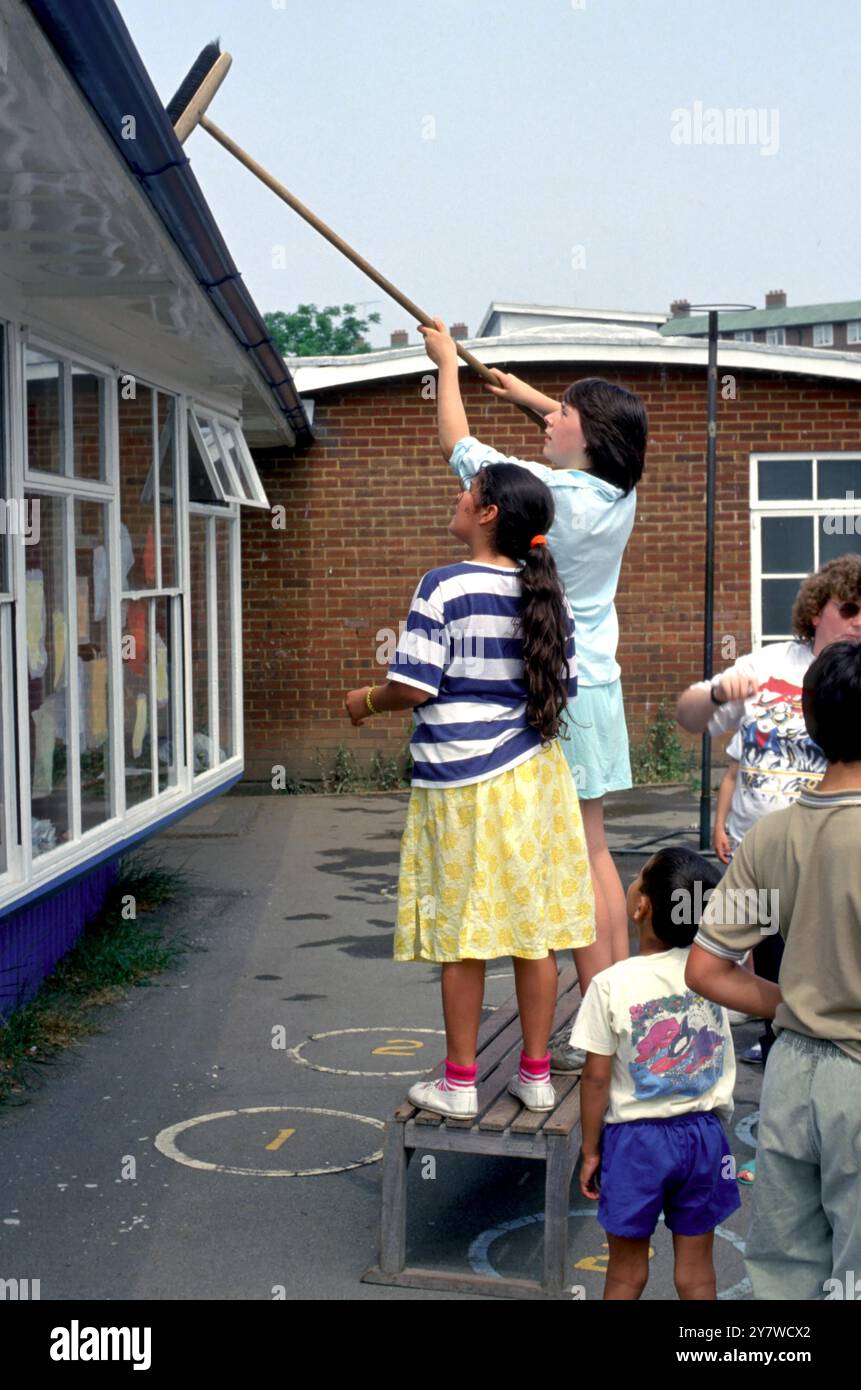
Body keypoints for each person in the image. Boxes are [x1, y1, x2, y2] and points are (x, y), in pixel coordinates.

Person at [419, 317, 648, 1072]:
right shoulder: (617, 488)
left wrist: (447, 366)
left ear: (582, 439)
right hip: (601, 688)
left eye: (561, 416)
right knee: (595, 851)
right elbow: (589, 433)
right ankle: (614, 999)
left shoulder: (548, 491)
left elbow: (458, 448)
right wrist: (524, 393)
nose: (549, 420)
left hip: (564, 691)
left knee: (574, 862)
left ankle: (600, 1032)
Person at [344, 462, 596, 1118]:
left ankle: (459, 1085)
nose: (457, 496)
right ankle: (535, 1075)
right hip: (535, 780)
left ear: (487, 513)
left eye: (468, 490)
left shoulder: (443, 586)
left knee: (464, 935)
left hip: (462, 782)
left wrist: (364, 700)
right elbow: (561, 688)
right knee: (530, 931)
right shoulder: (547, 593)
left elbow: (415, 685)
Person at [686, 640, 861, 1300]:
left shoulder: (769, 836)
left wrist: (791, 1002)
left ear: (810, 725)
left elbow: (705, 970)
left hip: (790, 1074)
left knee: (783, 1273)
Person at [677, 553, 861, 1067]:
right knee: (740, 955)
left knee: (827, 956)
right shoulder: (770, 665)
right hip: (760, 850)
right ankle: (781, 1036)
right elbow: (690, 715)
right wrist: (713, 693)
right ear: (816, 609)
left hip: (837, 851)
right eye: (849, 608)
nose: (859, 620)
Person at [571, 848, 740, 1300]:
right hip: (704, 1137)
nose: (632, 881)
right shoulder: (713, 973)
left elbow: (596, 1079)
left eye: (638, 878)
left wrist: (590, 1151)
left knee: (626, 1274)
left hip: (636, 1144)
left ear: (641, 906)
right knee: (697, 1275)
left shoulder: (610, 984)